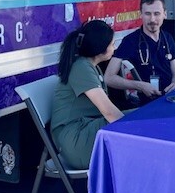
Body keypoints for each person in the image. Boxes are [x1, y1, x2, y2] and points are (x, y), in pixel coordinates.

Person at [51, 20, 124, 169]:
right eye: (112, 44)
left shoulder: (88, 66)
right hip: (75, 141)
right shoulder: (81, 67)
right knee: (137, 123)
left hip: (82, 131)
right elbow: (108, 112)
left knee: (139, 117)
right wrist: (137, 131)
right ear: (100, 49)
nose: (114, 48)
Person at [104, 0, 175, 105]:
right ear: (140, 14)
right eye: (147, 14)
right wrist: (140, 85)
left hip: (169, 99)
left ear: (164, 14)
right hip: (145, 102)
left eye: (157, 14)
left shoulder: (168, 38)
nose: (152, 19)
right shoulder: (130, 41)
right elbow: (109, 78)